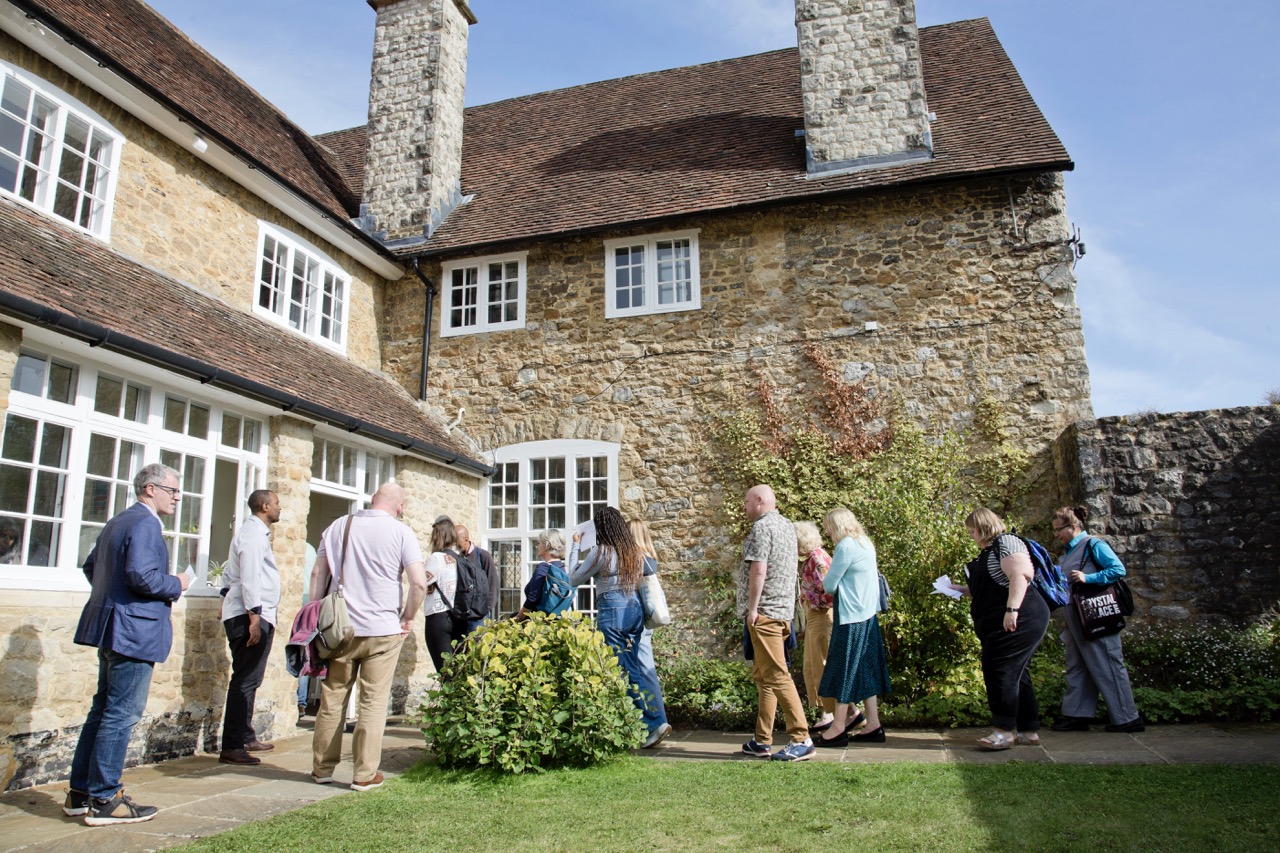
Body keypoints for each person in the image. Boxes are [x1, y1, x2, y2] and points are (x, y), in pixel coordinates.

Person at [66, 463, 191, 826]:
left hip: (111, 628)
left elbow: (92, 568)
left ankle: (81, 793)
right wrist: (177, 583)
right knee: (120, 715)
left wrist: (115, 599)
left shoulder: (118, 521)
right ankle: (105, 798)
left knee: (102, 711)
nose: (178, 497)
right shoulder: (145, 523)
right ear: (150, 489)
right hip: (133, 632)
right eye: (172, 490)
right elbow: (142, 576)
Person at [309, 483, 427, 791]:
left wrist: (315, 615)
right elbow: (418, 584)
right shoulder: (401, 532)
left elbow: (317, 575)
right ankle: (363, 774)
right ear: (398, 506)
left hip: (341, 629)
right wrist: (408, 617)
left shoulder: (338, 526)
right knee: (373, 701)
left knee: (333, 697)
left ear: (372, 499)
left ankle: (322, 768)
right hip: (383, 629)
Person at [568, 506, 671, 749]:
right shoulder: (632, 551)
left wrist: (574, 546)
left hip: (612, 611)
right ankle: (649, 722)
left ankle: (649, 725)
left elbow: (572, 578)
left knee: (622, 670)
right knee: (632, 666)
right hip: (634, 611)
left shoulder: (600, 553)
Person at [953, 508, 1051, 750]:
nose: (971, 535)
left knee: (1000, 669)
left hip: (1022, 617)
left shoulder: (1007, 542)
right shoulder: (986, 554)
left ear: (984, 526)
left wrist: (1012, 610)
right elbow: (988, 588)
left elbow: (1020, 575)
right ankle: (1029, 730)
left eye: (972, 530)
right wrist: (955, 589)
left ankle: (1004, 731)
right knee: (1018, 673)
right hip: (1004, 619)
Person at [1050, 505, 1144, 733]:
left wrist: (1088, 577)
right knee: (1077, 666)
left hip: (1096, 615)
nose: (1056, 535)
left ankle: (1127, 718)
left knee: (1108, 664)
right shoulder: (1068, 552)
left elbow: (1117, 570)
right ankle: (1077, 716)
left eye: (1058, 530)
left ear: (1073, 527)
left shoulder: (1093, 545)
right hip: (1076, 618)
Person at [737, 485, 812, 762]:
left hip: (765, 612)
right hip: (782, 612)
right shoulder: (787, 526)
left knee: (778, 676)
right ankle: (761, 740)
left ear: (760, 500)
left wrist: (753, 609)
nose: (743, 506)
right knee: (765, 677)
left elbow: (759, 568)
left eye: (746, 501)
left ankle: (801, 738)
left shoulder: (761, 528)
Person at [813, 508, 890, 747]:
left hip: (850, 618)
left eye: (828, 526)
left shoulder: (845, 546)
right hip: (868, 615)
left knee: (843, 670)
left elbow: (829, 584)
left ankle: (837, 728)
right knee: (865, 669)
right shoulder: (865, 542)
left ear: (836, 526)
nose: (827, 531)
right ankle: (873, 724)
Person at [217, 489, 282, 765]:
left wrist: (225, 599)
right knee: (244, 680)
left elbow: (228, 575)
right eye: (277, 503)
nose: (280, 508)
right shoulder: (254, 535)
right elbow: (249, 577)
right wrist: (254, 617)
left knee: (251, 679)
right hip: (250, 615)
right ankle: (232, 745)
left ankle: (245, 735)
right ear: (265, 506)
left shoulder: (252, 533)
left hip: (250, 612)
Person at [793, 521, 836, 733]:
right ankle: (836, 712)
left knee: (821, 664)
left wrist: (810, 599)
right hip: (816, 616)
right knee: (812, 664)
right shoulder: (813, 557)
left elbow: (830, 593)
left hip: (820, 616)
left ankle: (833, 714)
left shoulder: (817, 559)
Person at [421, 516, 460, 673]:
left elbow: (420, 583)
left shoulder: (436, 559)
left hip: (437, 616)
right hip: (456, 617)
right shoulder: (459, 559)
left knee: (445, 672)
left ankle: (448, 697)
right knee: (455, 670)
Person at [628, 519, 659, 673]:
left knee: (645, 667)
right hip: (646, 613)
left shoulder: (637, 559)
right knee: (642, 666)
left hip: (637, 614)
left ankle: (654, 698)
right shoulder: (650, 557)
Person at [515, 528, 569, 618]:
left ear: (546, 545)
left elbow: (532, 599)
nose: (537, 546)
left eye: (539, 543)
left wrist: (518, 618)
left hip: (539, 623)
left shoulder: (544, 568)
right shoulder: (562, 568)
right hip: (557, 621)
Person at [455, 524, 497, 630]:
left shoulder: (483, 556)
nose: (454, 544)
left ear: (466, 539)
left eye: (456, 540)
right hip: (460, 617)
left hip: (479, 617)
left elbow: (493, 584)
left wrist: (485, 609)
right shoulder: (455, 558)